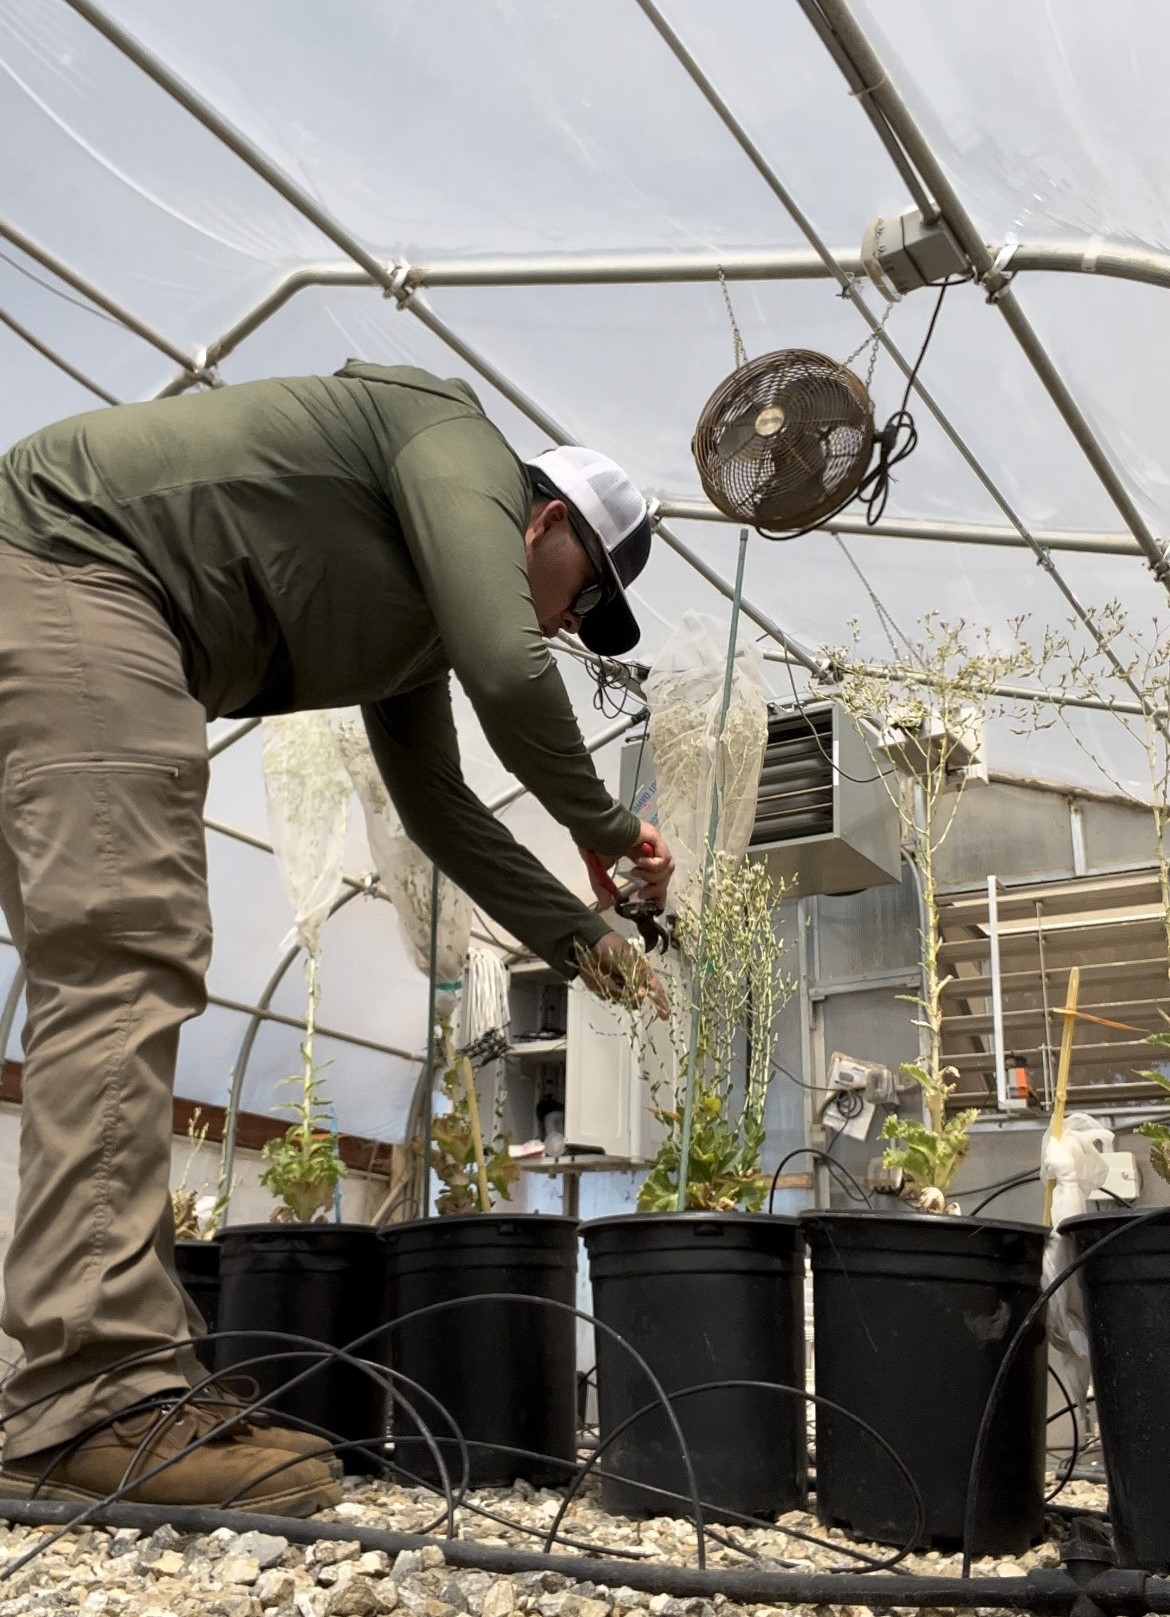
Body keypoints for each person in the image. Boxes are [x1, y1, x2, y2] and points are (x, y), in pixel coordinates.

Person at [0, 361, 674, 1513]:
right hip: (75, 569)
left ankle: (122, 1369)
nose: (568, 624)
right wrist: (609, 828)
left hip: (72, 587)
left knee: (114, 950)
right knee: (127, 948)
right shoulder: (451, 436)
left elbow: (439, 812)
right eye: (582, 592)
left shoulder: (406, 627)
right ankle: (93, 1395)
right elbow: (513, 672)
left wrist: (588, 948)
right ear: (545, 518)